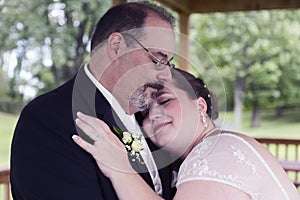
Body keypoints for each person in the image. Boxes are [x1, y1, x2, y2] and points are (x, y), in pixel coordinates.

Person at [10, 2, 177, 200]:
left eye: (169, 64)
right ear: (117, 47)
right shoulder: (47, 121)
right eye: (158, 60)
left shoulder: (151, 120)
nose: (167, 76)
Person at [73, 68, 300, 200]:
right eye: (144, 113)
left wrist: (119, 169)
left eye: (164, 100)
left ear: (200, 106)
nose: (154, 115)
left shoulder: (218, 151)